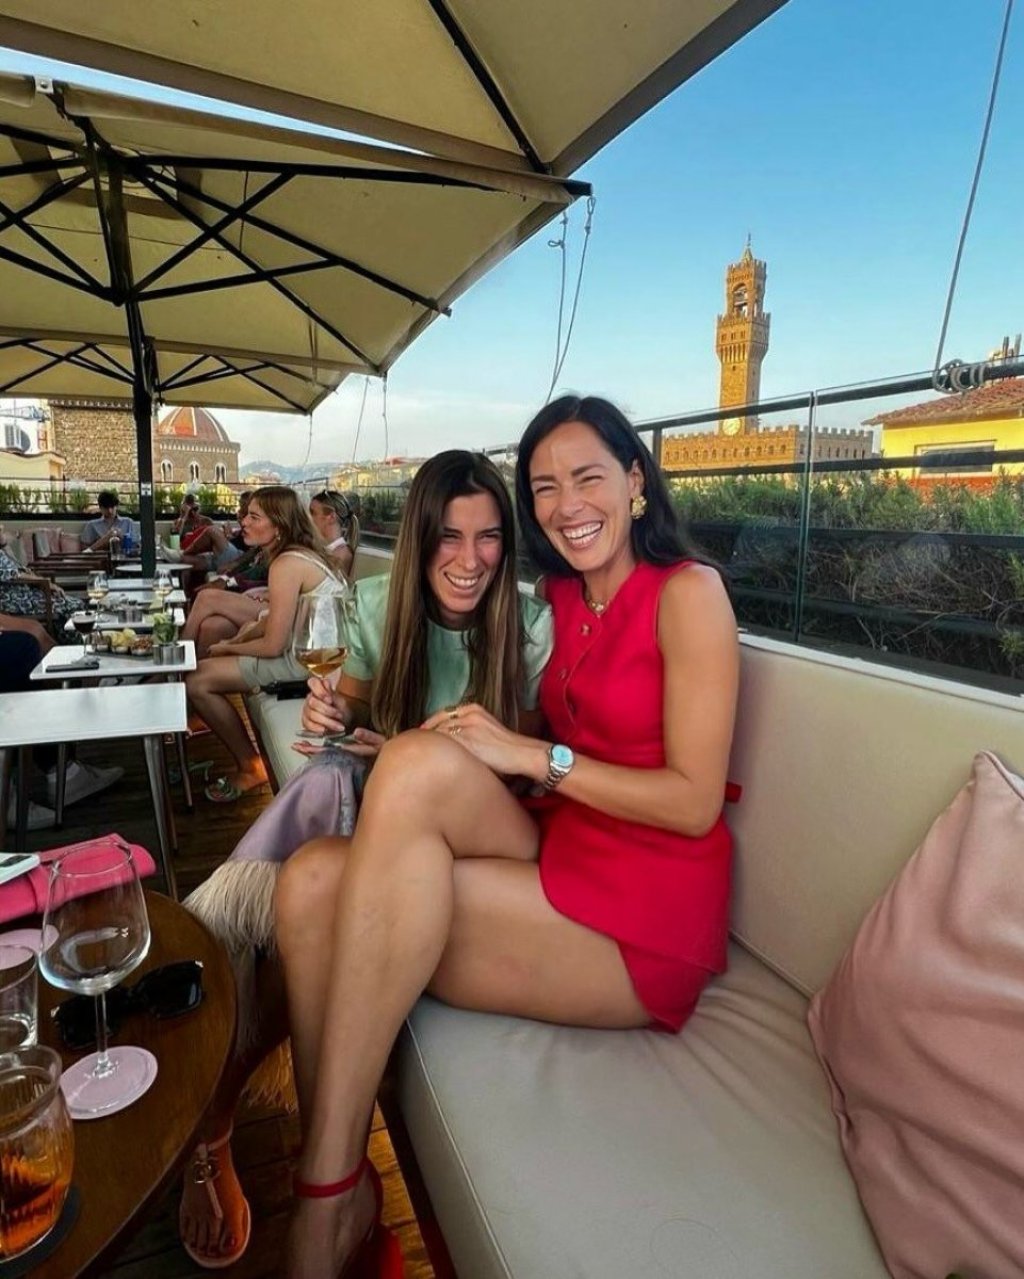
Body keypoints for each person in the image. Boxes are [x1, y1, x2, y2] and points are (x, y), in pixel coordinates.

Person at [273, 396, 739, 1278]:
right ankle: (338, 1177)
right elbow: (496, 707)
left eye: (588, 477)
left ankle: (321, 1201)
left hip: (647, 908)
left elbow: (694, 802)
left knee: (361, 845)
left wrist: (529, 754)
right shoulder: (560, 596)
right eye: (546, 486)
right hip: (562, 845)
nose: (568, 504)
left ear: (636, 481)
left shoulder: (689, 593)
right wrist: (382, 727)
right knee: (307, 880)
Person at [178, 450, 553, 1269]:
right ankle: (316, 1173)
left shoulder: (529, 627)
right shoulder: (378, 607)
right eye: (449, 535)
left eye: (490, 536)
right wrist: (333, 716)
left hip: (475, 840)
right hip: (383, 819)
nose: (470, 558)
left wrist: (410, 752)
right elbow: (346, 716)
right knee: (307, 896)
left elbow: (520, 774)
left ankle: (244, 1144)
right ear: (419, 537)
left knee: (315, 913)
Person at [183, 486, 345, 802]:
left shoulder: (287, 564)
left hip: (311, 661)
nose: (244, 521)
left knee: (198, 679)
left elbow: (273, 646)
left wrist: (228, 648)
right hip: (309, 652)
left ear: (279, 525)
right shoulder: (299, 556)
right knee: (214, 634)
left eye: (254, 517)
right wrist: (239, 637)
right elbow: (275, 620)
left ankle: (250, 767)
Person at [308, 490, 360, 579]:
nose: (308, 518)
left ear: (331, 517)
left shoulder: (340, 555)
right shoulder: (324, 549)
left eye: (313, 513)